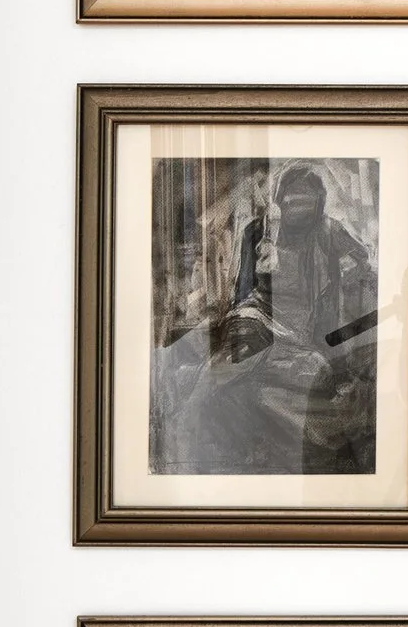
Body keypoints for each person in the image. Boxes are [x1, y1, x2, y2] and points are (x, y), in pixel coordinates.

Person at [162, 165, 379, 474]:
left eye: (306, 201)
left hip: (301, 334)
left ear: (319, 201)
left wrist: (352, 273)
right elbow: (243, 292)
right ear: (280, 200)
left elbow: (363, 259)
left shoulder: (330, 231)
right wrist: (239, 321)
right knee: (238, 353)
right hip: (257, 315)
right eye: (291, 201)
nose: (297, 208)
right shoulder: (258, 230)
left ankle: (193, 387)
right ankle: (189, 414)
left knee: (314, 373)